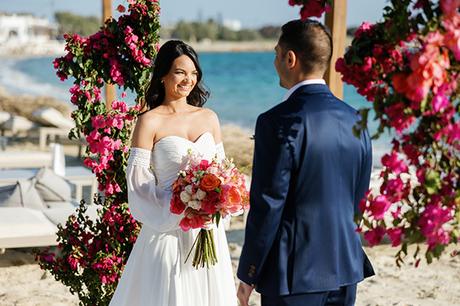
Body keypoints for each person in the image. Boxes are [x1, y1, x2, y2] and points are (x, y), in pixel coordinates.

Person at [236, 19, 375, 306]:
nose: (274, 61)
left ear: (290, 58)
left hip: (294, 274)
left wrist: (249, 271)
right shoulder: (356, 120)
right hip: (345, 265)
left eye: (276, 54)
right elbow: (358, 197)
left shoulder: (276, 122)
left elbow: (268, 203)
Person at [109, 40, 237, 306]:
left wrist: (215, 201)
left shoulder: (209, 117)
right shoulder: (149, 121)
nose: (188, 80)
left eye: (193, 73)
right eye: (180, 72)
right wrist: (179, 204)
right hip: (167, 227)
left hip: (206, 229)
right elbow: (138, 182)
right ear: (164, 75)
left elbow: (223, 169)